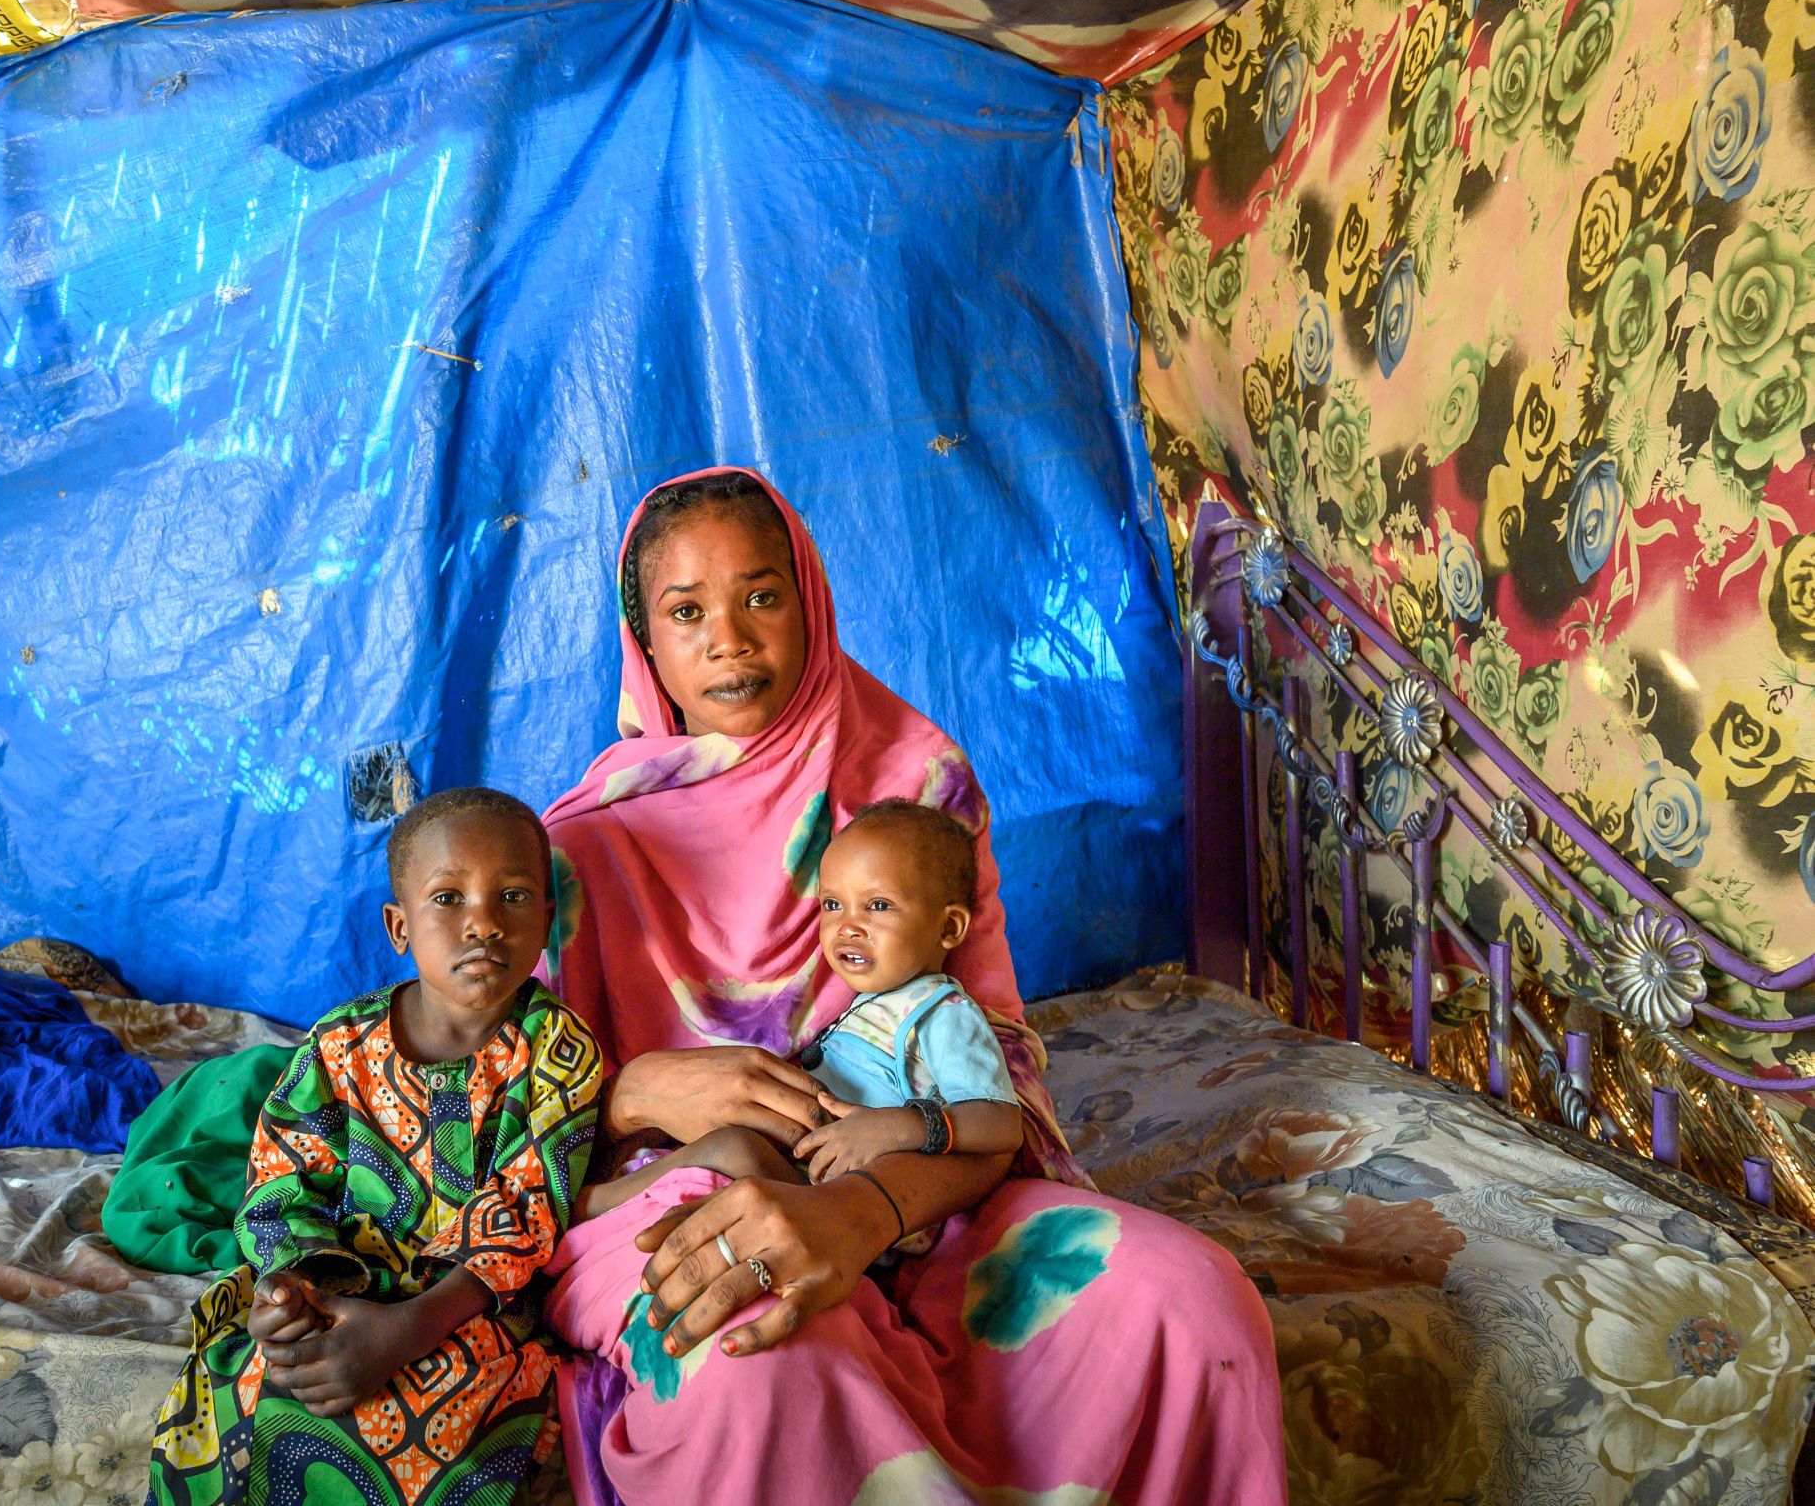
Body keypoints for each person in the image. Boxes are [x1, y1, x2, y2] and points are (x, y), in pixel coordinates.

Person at [539, 467, 1286, 1505]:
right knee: (763, 1362)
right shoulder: (572, 856)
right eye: (685, 611)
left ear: (811, 598)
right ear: (645, 645)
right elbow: (500, 1128)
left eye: (761, 594)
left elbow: (994, 1083)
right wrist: (637, 1091)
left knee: (1193, 1303)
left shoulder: (913, 787)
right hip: (671, 1190)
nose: (729, 637)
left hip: (917, 1190)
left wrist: (861, 1210)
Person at [148, 788, 603, 1506]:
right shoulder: (338, 1047)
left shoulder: (559, 1050)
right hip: (337, 1287)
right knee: (245, 1378)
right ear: (399, 926)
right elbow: (281, 1188)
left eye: (513, 896)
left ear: (547, 920)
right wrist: (294, 1295)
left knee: (441, 1407)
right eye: (448, 898)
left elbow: (527, 1210)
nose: (483, 922)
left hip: (467, 1304)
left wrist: (403, 1331)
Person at [577, 798, 1022, 1220]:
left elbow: (1001, 1122)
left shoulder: (944, 1013)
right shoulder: (871, 1002)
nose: (848, 926)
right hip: (809, 1167)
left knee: (734, 1149)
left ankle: (595, 1205)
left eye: (878, 905)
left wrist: (898, 1128)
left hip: (853, 1193)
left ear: (949, 926)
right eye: (832, 904)